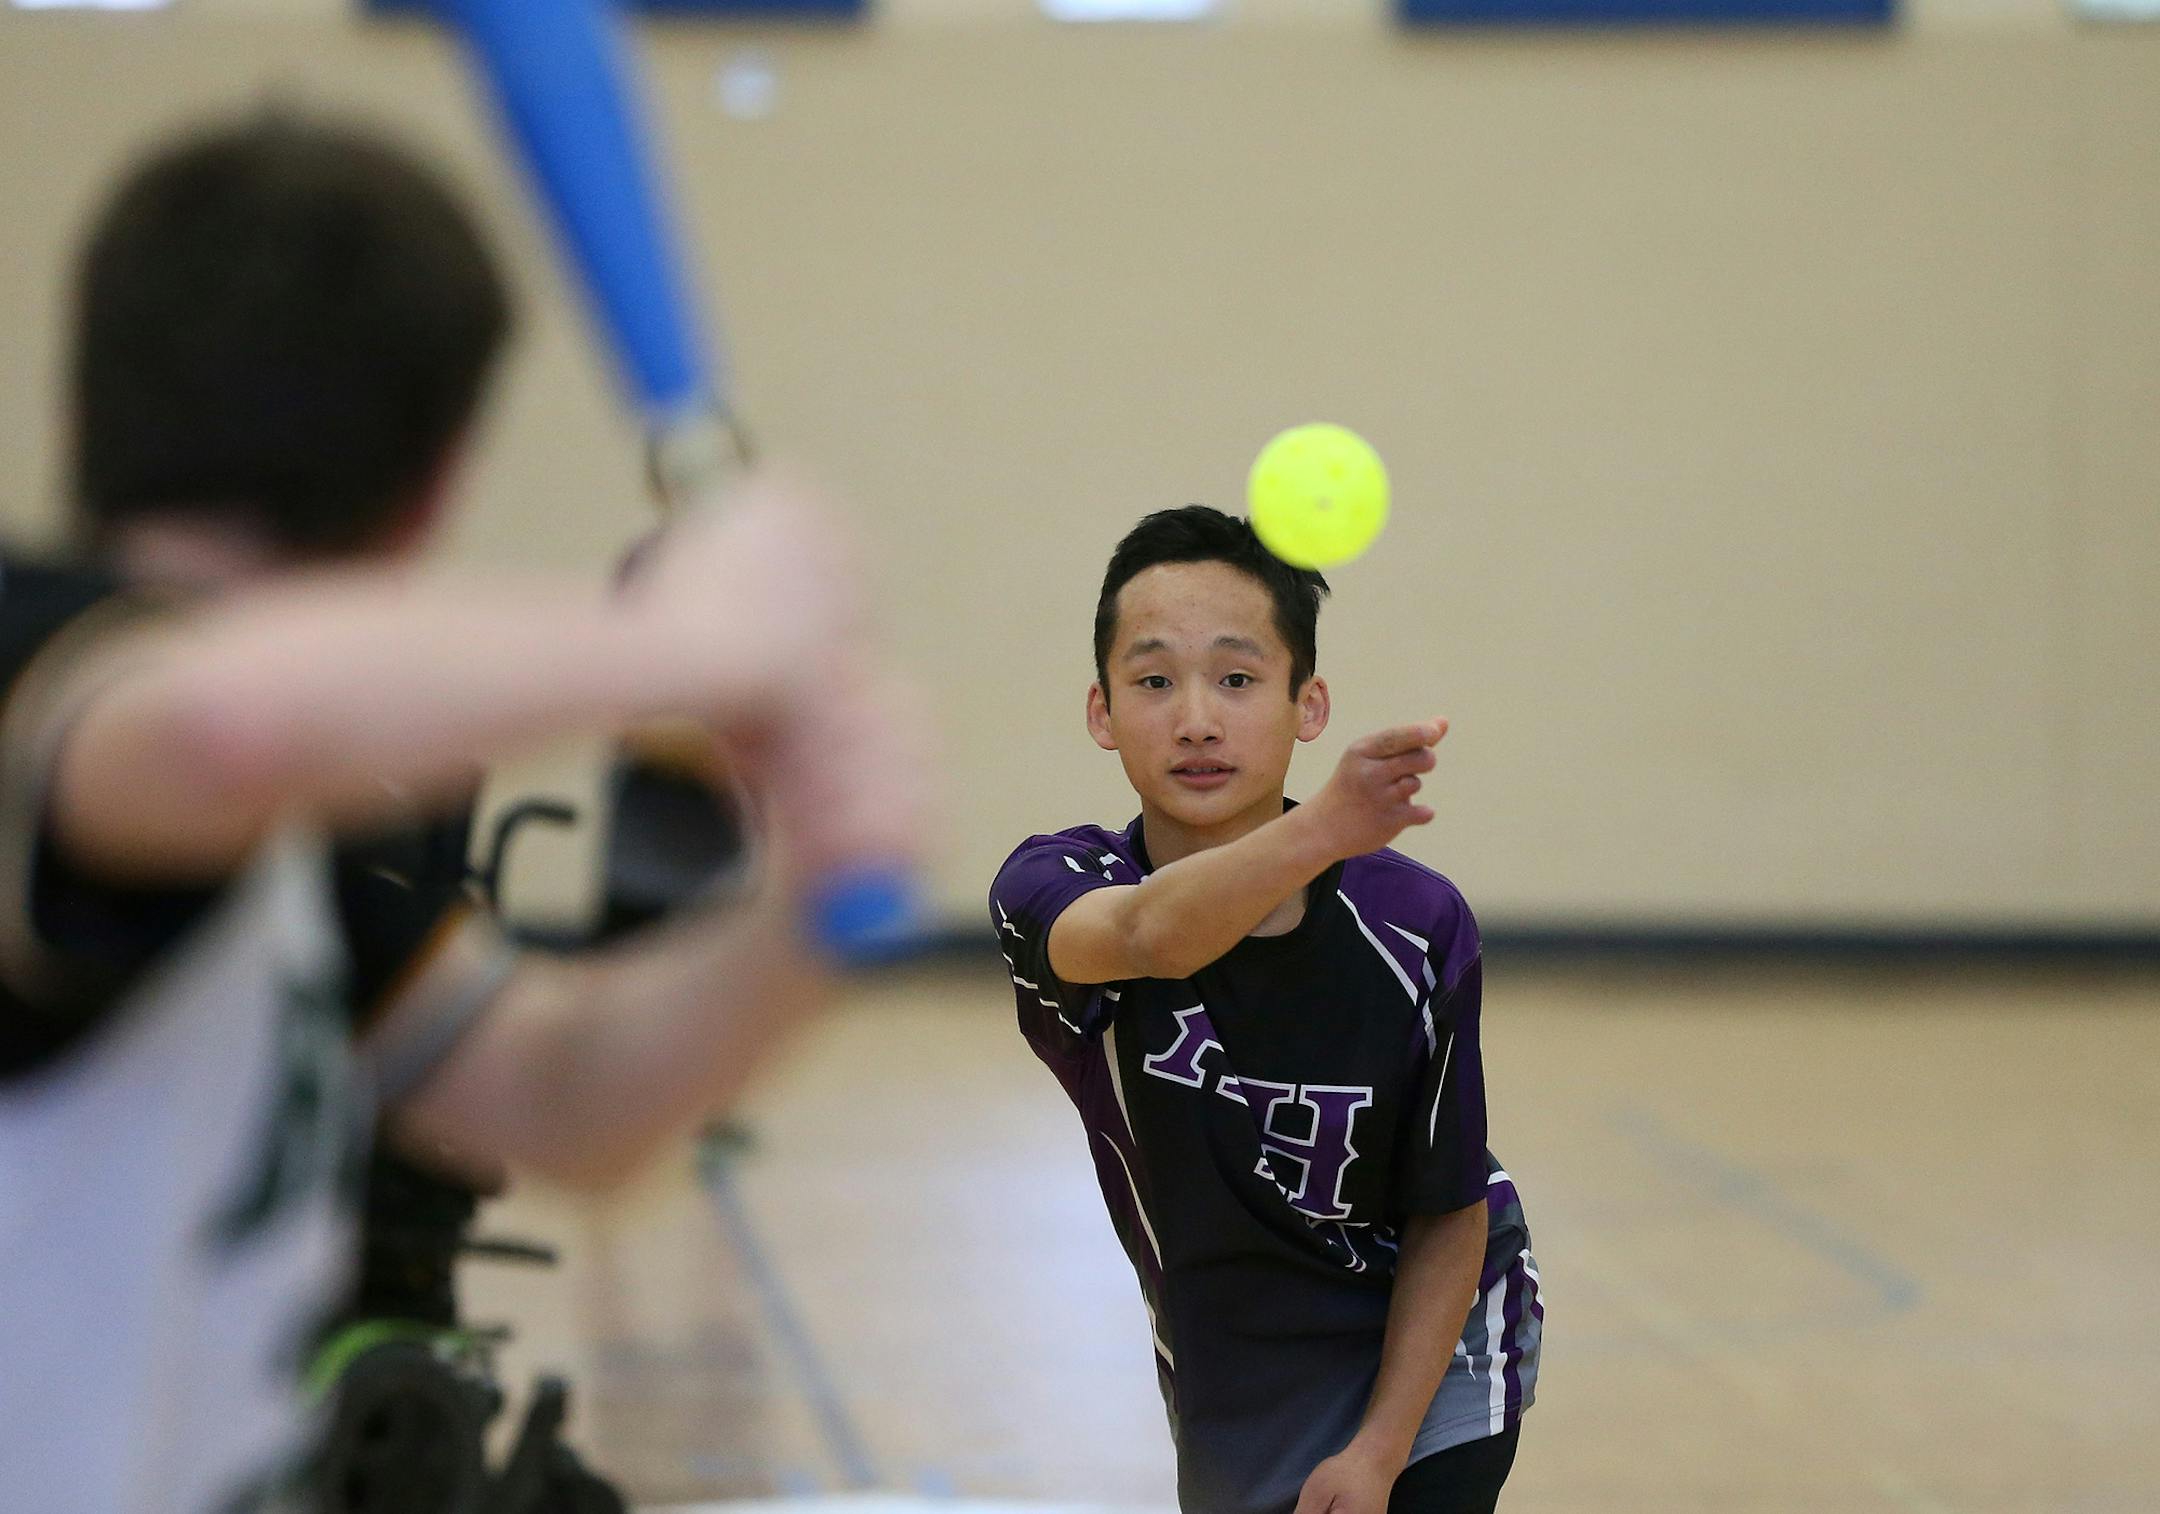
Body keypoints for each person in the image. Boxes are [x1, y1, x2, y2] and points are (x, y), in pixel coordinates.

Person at [0, 110, 917, 1514]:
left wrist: (799, 900)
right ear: (438, 486)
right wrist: (684, 640)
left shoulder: (324, 814)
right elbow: (217, 723)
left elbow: (567, 1102)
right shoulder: (40, 661)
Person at [989, 506, 1539, 1514]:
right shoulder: (1052, 883)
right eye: (1154, 681)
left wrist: (1377, 1453)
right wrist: (1322, 827)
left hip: (1433, 1336)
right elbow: (1155, 936)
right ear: (1102, 710)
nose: (1196, 718)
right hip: (1228, 1351)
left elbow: (1449, 1208)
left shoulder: (1415, 922)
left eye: (1238, 680)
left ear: (1307, 703)